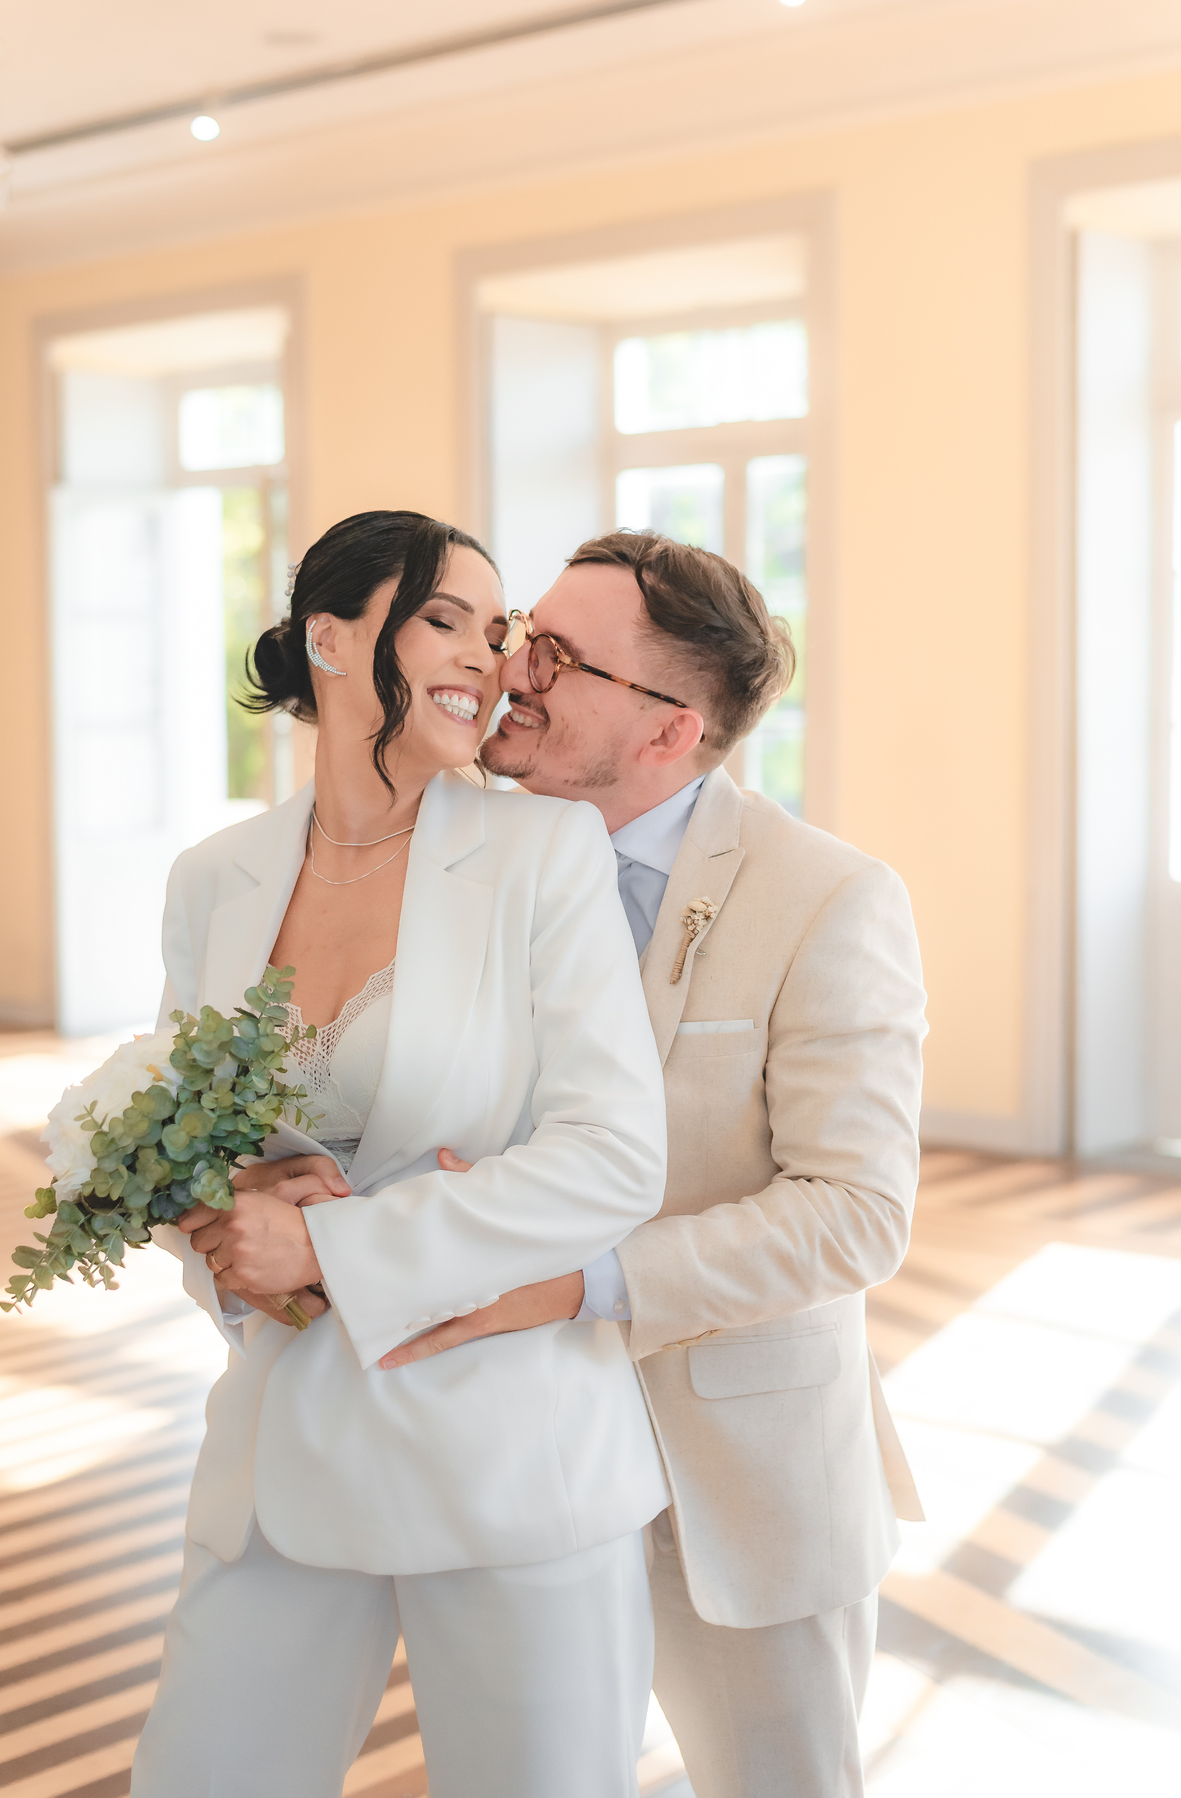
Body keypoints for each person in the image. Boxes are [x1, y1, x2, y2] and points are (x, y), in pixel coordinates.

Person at [375, 531, 928, 1797]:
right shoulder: (451, 856)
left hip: (735, 1486)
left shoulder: (829, 898)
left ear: (669, 732)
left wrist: (582, 1281)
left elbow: (852, 1215)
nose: (512, 667)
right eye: (523, 631)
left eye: (560, 656)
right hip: (507, 1456)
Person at [130, 511, 671, 1798]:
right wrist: (225, 1225)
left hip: (507, 1453)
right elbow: (164, 1137)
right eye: (445, 618)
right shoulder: (216, 879)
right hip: (280, 1443)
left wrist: (327, 1239)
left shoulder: (544, 857)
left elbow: (612, 1156)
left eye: (499, 632)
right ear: (331, 636)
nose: (487, 658)